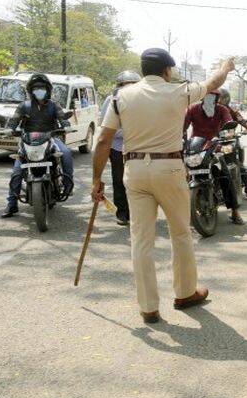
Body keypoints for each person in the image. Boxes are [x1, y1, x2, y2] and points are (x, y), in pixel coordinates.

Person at [92, 48, 235, 324]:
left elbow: (102, 141)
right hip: (169, 168)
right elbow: (214, 83)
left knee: (141, 240)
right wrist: (225, 66)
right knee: (180, 233)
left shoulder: (121, 96)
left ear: (143, 69)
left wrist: (97, 180)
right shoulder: (179, 91)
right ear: (167, 71)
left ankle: (148, 308)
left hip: (134, 170)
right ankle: (184, 293)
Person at [1, 74, 75, 218]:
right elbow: (14, 121)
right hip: (28, 141)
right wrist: (10, 129)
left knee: (66, 153)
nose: (39, 90)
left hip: (51, 138)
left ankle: (67, 186)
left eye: (42, 88)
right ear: (30, 90)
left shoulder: (54, 105)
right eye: (36, 88)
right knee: (16, 172)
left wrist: (67, 126)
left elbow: (62, 118)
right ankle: (12, 204)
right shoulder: (24, 106)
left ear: (48, 90)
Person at [183, 89, 247, 224]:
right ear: (201, 97)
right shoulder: (192, 109)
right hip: (196, 147)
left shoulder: (222, 110)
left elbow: (228, 123)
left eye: (212, 97)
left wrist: (228, 134)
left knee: (225, 176)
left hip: (215, 147)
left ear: (217, 98)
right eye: (207, 96)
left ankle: (235, 211)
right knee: (181, 174)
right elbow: (182, 127)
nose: (209, 99)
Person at [98, 70, 142, 226]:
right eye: (126, 85)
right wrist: (127, 131)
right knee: (119, 180)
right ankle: (122, 213)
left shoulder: (143, 100)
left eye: (133, 85)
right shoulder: (112, 100)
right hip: (117, 148)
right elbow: (105, 127)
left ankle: (138, 213)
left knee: (138, 182)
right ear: (120, 86)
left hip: (139, 148)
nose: (129, 88)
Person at [217, 88, 247, 200]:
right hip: (215, 141)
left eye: (220, 98)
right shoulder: (210, 110)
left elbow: (241, 120)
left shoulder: (231, 111)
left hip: (230, 141)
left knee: (236, 163)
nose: (217, 100)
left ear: (226, 99)